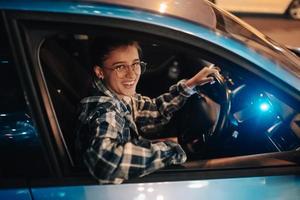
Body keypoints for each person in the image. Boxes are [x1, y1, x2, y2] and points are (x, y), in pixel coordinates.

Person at [75, 37, 220, 184]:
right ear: (100, 72)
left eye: (135, 64)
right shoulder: (106, 109)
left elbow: (155, 110)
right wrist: (172, 151)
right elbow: (105, 162)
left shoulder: (120, 97)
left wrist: (191, 85)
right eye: (120, 67)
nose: (131, 74)